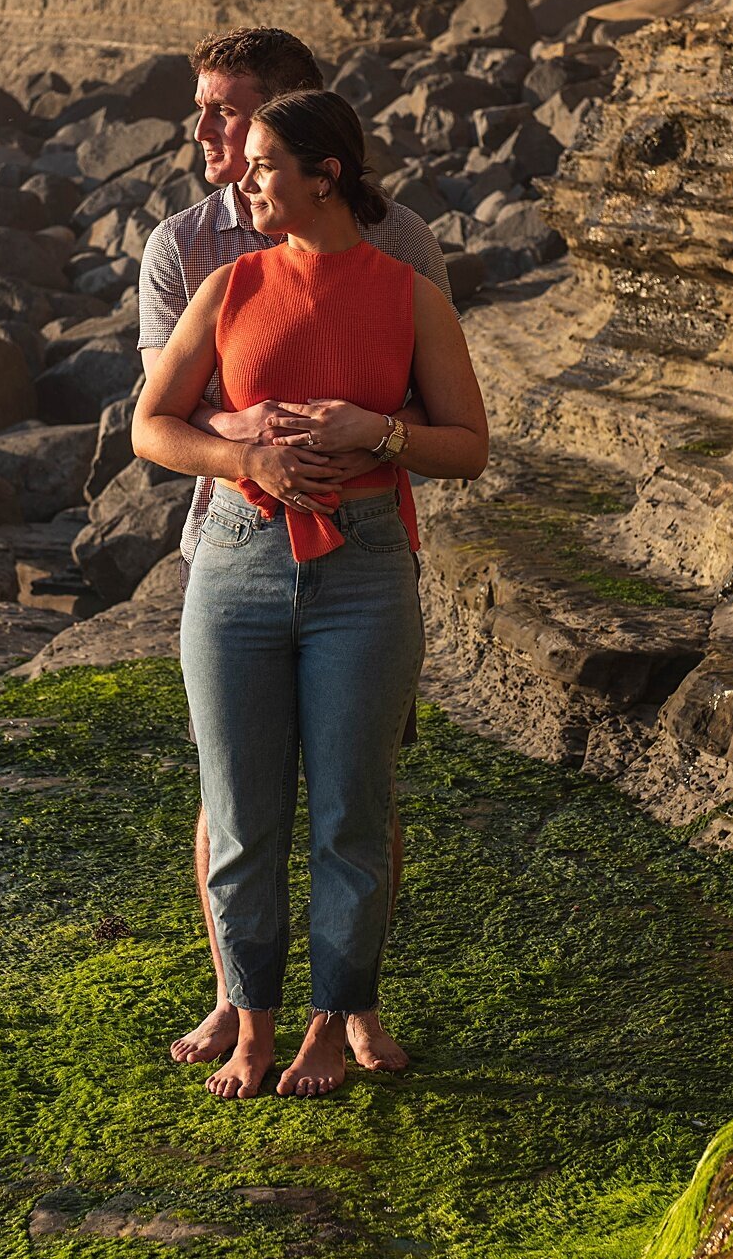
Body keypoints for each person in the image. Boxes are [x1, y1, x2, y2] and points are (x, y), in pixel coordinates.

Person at [134, 91, 487, 1099]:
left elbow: (468, 446)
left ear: (323, 174)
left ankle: (328, 1025)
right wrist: (241, 449)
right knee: (240, 815)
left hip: (364, 573)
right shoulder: (230, 285)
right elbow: (150, 428)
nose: (244, 178)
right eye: (246, 163)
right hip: (235, 563)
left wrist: (370, 431)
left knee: (350, 815)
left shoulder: (407, 294)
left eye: (262, 163)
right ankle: (249, 1025)